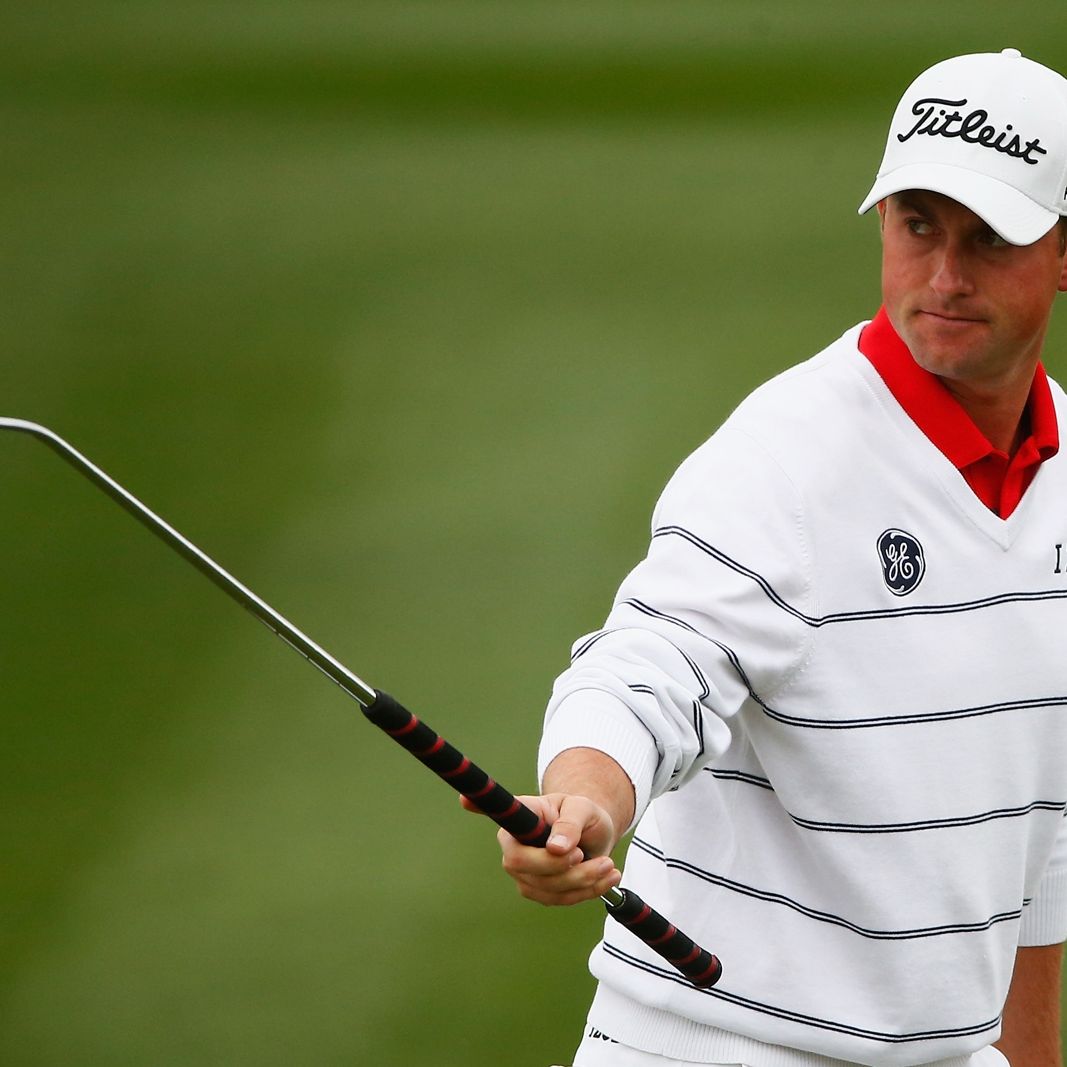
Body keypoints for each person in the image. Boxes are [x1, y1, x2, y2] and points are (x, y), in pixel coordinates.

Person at [469, 49, 1067, 1067]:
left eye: (989, 238)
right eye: (918, 225)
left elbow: (1038, 844)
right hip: (708, 1045)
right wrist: (585, 799)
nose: (944, 276)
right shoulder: (782, 459)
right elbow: (648, 666)